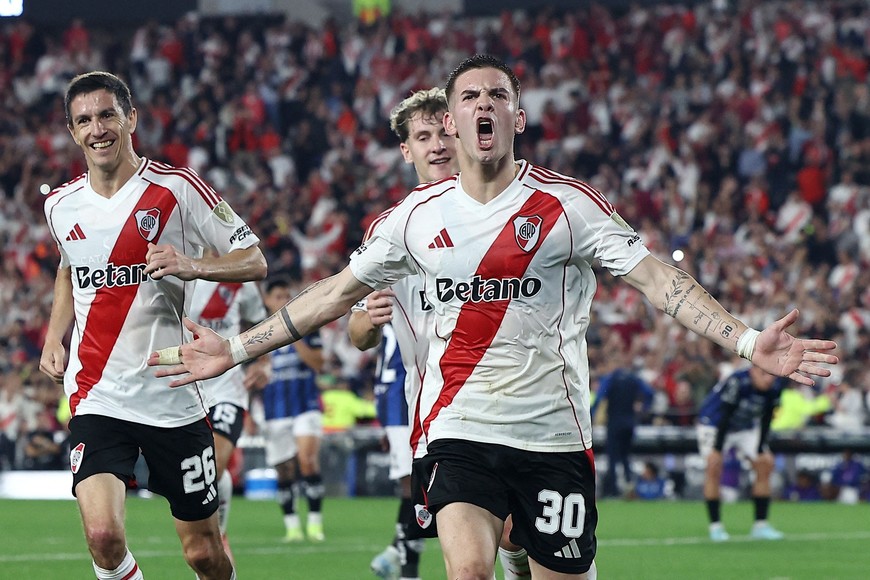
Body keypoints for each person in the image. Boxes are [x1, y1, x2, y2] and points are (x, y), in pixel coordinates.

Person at [150, 55, 838, 580]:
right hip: (457, 426)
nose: (484, 106)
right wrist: (236, 350)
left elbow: (659, 280)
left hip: (552, 433)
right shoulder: (411, 220)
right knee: (468, 570)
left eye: (498, 96)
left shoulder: (569, 207)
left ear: (518, 118)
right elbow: (333, 295)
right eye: (469, 97)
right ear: (449, 121)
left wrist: (747, 340)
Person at [41, 71, 266, 580]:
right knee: (103, 537)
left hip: (171, 397)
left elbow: (254, 260)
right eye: (83, 120)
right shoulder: (60, 205)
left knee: (205, 556)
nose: (97, 128)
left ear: (130, 119)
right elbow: (67, 267)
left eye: (106, 115)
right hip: (97, 394)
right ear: (73, 132)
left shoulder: (178, 189)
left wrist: (193, 265)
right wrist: (55, 335)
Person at [349, 87, 531, 580]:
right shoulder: (395, 229)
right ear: (406, 151)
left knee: (516, 534)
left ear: (460, 131)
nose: (436, 146)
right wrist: (369, 315)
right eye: (421, 136)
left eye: (442, 132)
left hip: (519, 401)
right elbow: (355, 331)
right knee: (471, 566)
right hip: (442, 413)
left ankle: (515, 558)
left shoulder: (514, 210)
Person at [189, 278, 267, 560]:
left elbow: (260, 321)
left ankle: (218, 534)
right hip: (186, 388)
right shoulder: (175, 273)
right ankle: (206, 541)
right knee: (194, 476)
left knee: (214, 464)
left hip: (227, 388)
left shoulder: (238, 280)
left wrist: (263, 362)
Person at [245, 277, 327, 542]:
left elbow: (318, 364)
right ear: (267, 301)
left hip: (306, 404)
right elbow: (253, 375)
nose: (281, 301)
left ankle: (314, 524)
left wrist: (294, 335)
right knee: (284, 469)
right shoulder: (258, 333)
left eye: (285, 296)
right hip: (274, 408)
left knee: (307, 460)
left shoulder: (307, 325)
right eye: (277, 296)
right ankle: (292, 526)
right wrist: (248, 411)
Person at [696, 365, 787, 542]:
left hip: (744, 426)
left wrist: (760, 448)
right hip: (714, 424)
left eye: (771, 375)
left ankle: (760, 525)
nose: (769, 379)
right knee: (713, 466)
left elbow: (767, 417)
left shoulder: (775, 386)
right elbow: (725, 414)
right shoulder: (738, 382)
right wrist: (716, 449)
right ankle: (716, 527)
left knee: (765, 463)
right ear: (753, 370)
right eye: (764, 374)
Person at [589, 362, 655, 497]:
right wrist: (644, 408)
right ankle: (629, 486)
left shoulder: (611, 379)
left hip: (614, 422)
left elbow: (599, 397)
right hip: (630, 422)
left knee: (612, 457)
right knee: (625, 456)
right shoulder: (633, 379)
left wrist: (591, 413)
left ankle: (613, 490)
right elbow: (649, 393)